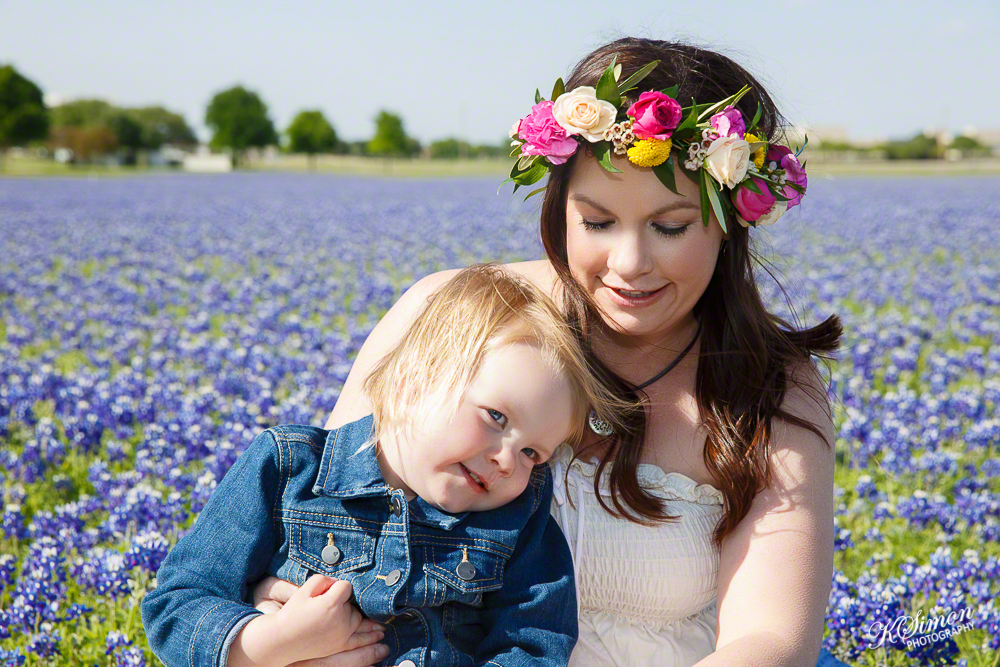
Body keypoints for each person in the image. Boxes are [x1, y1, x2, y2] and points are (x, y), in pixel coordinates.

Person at [252, 37, 849, 667]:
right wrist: (272, 615)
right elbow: (324, 509)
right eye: (597, 221)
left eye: (670, 227)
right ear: (558, 207)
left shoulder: (770, 386)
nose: (630, 264)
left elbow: (772, 640)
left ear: (732, 222)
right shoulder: (452, 314)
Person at [141, 264, 635, 667]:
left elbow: (534, 643)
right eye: (495, 417)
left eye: (534, 453)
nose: (508, 460)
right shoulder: (290, 469)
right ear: (412, 381)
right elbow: (178, 601)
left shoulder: (517, 518)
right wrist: (269, 643)